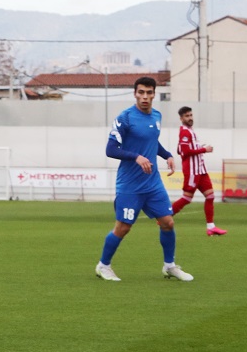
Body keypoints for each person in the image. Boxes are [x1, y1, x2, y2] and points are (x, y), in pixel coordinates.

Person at [95, 76, 194, 282]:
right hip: (130, 185)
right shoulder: (125, 118)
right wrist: (136, 157)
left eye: (149, 93)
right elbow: (111, 149)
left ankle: (169, 266)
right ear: (135, 94)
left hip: (152, 183)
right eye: (141, 93)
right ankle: (103, 266)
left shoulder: (156, 116)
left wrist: (166, 155)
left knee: (167, 222)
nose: (145, 97)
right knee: (123, 227)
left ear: (154, 95)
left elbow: (152, 141)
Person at [171, 106, 227, 236]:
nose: (190, 118)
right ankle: (164, 217)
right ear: (181, 118)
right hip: (192, 172)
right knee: (186, 198)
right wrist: (204, 149)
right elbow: (184, 152)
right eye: (187, 116)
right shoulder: (185, 132)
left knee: (210, 196)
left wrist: (199, 147)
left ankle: (211, 227)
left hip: (201, 170)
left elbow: (180, 149)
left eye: (191, 115)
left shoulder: (190, 131)